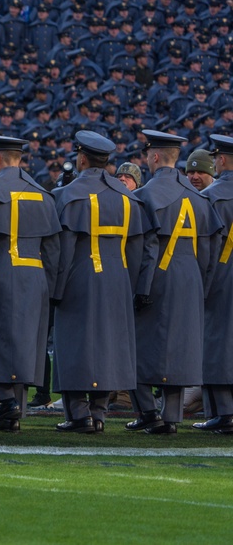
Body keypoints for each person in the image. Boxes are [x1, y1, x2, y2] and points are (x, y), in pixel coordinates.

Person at [52, 131, 148, 433]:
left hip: (79, 277)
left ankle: (78, 415)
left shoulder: (68, 195)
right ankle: (100, 414)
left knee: (74, 345)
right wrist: (128, 285)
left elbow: (63, 251)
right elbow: (136, 251)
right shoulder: (128, 198)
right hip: (117, 279)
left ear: (81, 158)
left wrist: (56, 288)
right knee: (109, 345)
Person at [127, 130, 221, 434]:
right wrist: (201, 287)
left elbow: (145, 248)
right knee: (180, 348)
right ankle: (170, 416)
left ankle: (148, 412)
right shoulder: (199, 197)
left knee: (137, 346)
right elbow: (209, 250)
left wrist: (139, 288)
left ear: (153, 157)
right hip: (191, 278)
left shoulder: (144, 195)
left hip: (157, 278)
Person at [0, 135, 61, 432]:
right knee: (24, 343)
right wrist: (49, 285)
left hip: (0, 270)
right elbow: (53, 250)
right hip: (35, 274)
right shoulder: (44, 195)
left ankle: (5, 401)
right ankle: (12, 412)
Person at [197, 134, 233, 433]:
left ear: (220, 160)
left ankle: (223, 411)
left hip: (220, 275)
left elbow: (206, 246)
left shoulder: (212, 196)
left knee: (216, 342)